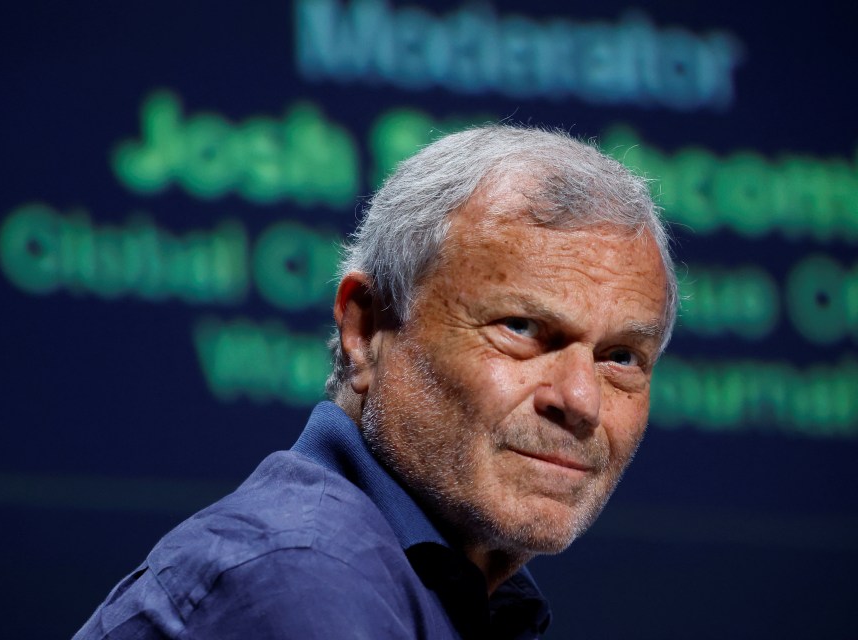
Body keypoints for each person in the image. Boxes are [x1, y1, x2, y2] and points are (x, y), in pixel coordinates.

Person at [73, 125, 678, 639]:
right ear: (364, 329)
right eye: (521, 327)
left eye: (621, 357)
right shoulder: (303, 580)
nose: (579, 400)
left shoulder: (460, 595)